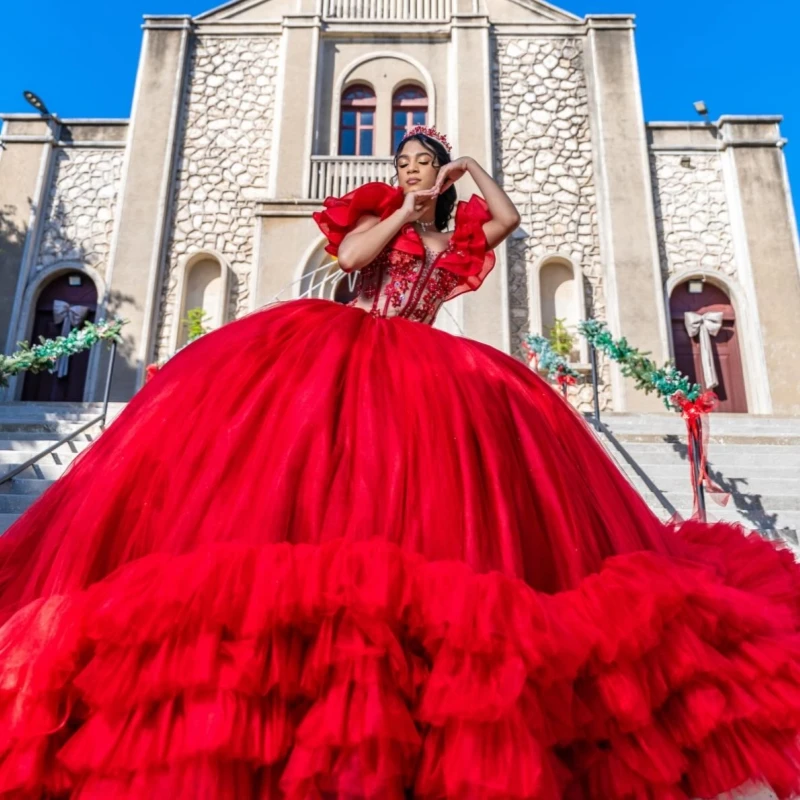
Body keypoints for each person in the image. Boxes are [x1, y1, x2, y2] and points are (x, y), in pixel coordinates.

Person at [0, 125, 797, 800]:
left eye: (423, 160)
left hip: (427, 362)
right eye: (405, 161)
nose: (410, 168)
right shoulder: (380, 210)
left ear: (440, 174)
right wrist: (405, 210)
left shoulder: (455, 232)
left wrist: (467, 174)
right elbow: (350, 261)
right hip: (346, 345)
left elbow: (508, 221)